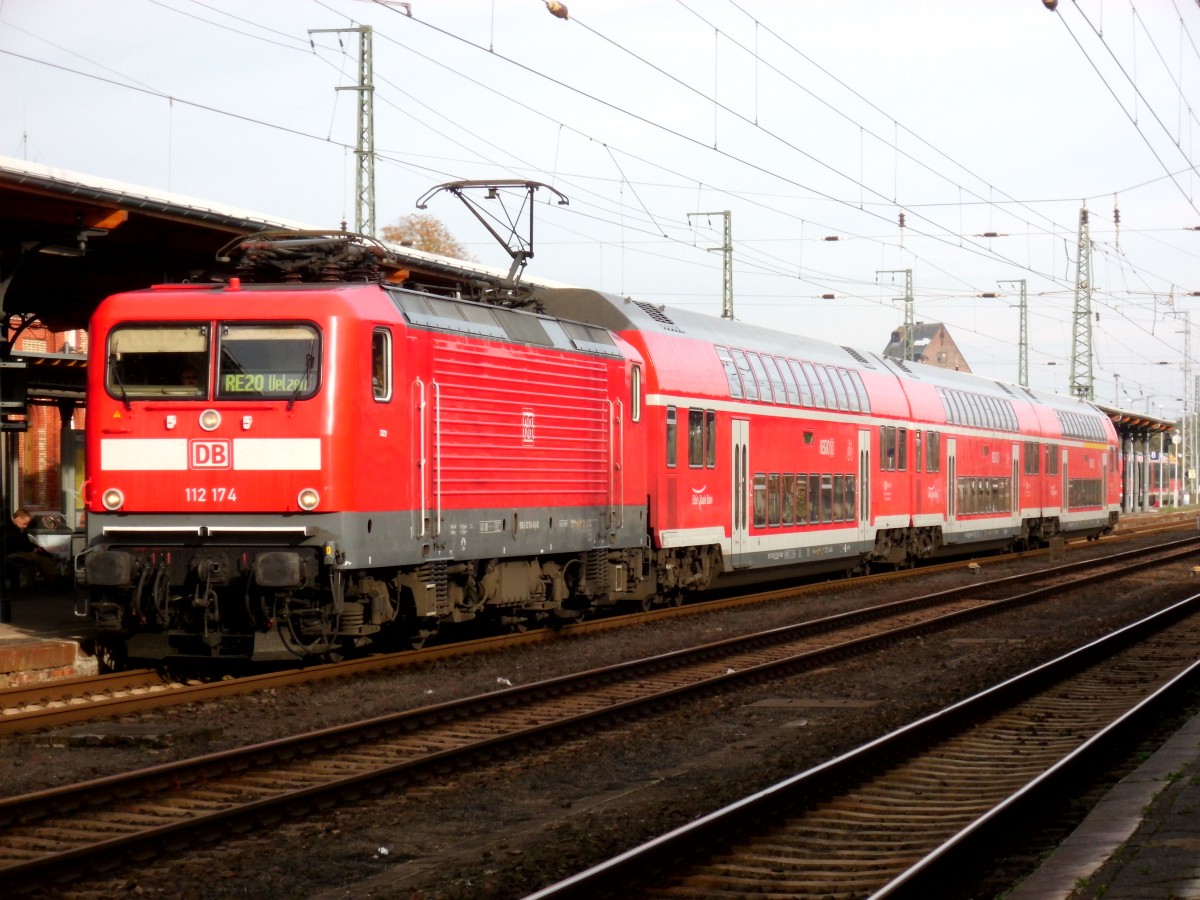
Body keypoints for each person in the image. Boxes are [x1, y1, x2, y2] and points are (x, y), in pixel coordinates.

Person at [3, 507, 61, 588]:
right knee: (38, 557)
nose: (26, 526)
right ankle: (53, 581)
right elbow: (13, 544)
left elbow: (26, 542)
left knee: (44, 556)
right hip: (11, 552)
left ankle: (55, 577)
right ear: (18, 519)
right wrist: (32, 549)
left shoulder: (18, 527)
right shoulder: (7, 528)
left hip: (20, 551)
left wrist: (39, 549)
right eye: (25, 523)